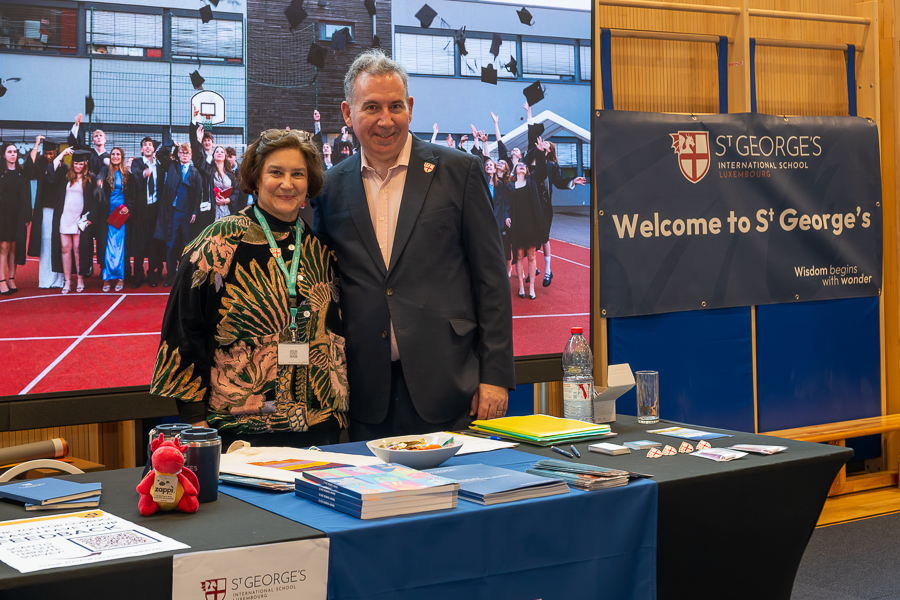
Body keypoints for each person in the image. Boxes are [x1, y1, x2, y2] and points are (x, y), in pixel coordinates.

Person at [311, 49, 514, 442]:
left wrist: (495, 376)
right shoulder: (330, 187)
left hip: (451, 386)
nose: (386, 120)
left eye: (396, 106)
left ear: (411, 108)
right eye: (371, 107)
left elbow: (491, 279)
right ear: (348, 113)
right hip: (363, 393)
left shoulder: (460, 171)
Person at [151, 129, 347, 448]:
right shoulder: (218, 243)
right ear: (255, 179)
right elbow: (183, 329)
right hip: (238, 432)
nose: (287, 184)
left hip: (319, 430)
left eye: (298, 174)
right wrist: (195, 420)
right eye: (276, 172)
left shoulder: (322, 250)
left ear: (309, 182)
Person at [530, 136, 587, 287]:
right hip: (529, 204)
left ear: (548, 150)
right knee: (530, 236)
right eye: (541, 142)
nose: (542, 143)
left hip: (544, 205)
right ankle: (532, 268)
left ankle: (548, 270)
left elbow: (559, 182)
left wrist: (573, 181)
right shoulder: (530, 161)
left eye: (546, 143)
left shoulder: (552, 166)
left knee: (544, 237)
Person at [48, 147, 99, 294]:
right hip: (65, 217)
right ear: (72, 164)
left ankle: (80, 279)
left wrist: (90, 218)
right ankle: (67, 280)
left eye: (81, 164)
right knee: (65, 249)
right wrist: (62, 154)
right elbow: (51, 170)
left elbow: (96, 199)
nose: (78, 166)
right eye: (76, 163)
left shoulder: (91, 178)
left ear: (85, 164)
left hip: (80, 219)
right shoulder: (65, 176)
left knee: (78, 250)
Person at [155, 143, 203, 287]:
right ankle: (170, 276)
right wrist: (171, 143)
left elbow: (198, 194)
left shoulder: (195, 172)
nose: (184, 155)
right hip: (172, 212)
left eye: (187, 153)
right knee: (170, 244)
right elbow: (160, 154)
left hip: (187, 213)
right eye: (182, 152)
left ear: (191, 155)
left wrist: (194, 212)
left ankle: (186, 274)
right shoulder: (172, 166)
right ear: (178, 154)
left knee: (187, 244)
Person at [25, 136, 66, 289]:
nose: (48, 156)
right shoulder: (41, 164)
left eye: (51, 153)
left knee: (57, 242)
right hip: (44, 210)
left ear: (56, 152)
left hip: (59, 210)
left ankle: (58, 279)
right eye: (46, 153)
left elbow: (52, 178)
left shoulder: (63, 168)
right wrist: (36, 144)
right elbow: (29, 169)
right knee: (46, 241)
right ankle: (45, 279)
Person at [130, 137, 166, 288]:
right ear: (141, 149)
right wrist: (144, 173)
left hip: (154, 208)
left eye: (150, 145)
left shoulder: (159, 165)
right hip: (140, 208)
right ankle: (138, 275)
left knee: (153, 243)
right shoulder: (137, 163)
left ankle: (152, 274)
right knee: (139, 243)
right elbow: (135, 173)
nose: (148, 147)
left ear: (153, 149)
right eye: (145, 145)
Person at [97, 147, 134, 292]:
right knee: (107, 246)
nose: (115, 156)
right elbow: (98, 179)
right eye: (113, 154)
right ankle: (106, 278)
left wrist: (128, 207)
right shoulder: (105, 172)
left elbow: (132, 195)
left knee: (120, 246)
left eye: (118, 154)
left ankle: (120, 277)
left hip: (121, 214)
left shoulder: (127, 175)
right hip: (106, 213)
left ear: (122, 157)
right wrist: (98, 182)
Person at [507, 162, 544, 300]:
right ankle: (521, 286)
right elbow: (507, 204)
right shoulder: (510, 186)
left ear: (527, 169)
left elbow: (540, 169)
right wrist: (507, 216)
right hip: (517, 225)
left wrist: (540, 153)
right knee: (519, 255)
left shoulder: (532, 182)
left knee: (532, 256)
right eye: (519, 165)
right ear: (515, 169)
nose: (521, 166)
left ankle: (532, 287)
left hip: (531, 224)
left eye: (524, 165)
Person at [0, 142, 32, 295]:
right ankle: (2, 281)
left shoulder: (21, 173)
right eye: (9, 152)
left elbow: (26, 195)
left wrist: (26, 215)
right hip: (3, 214)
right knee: (4, 247)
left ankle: (12, 279)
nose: (13, 154)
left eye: (15, 152)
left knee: (14, 247)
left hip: (17, 215)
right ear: (3, 155)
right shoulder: (1, 174)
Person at [210, 146, 235, 221]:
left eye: (222, 152)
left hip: (227, 209)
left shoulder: (231, 173)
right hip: (213, 209)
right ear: (213, 156)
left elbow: (236, 192)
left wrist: (226, 200)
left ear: (225, 156)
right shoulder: (209, 171)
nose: (219, 153)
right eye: (217, 151)